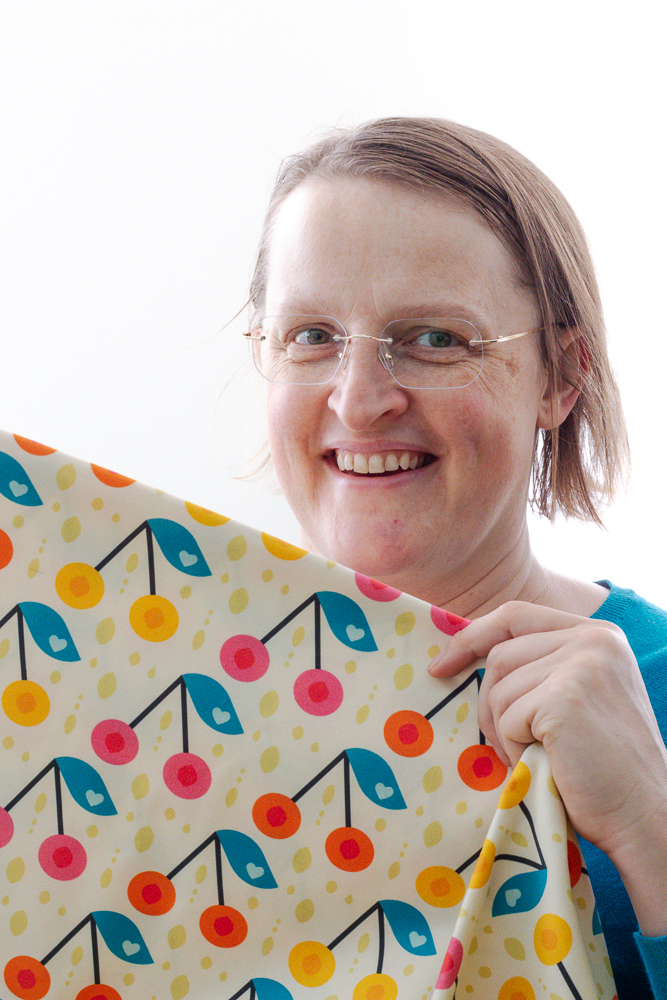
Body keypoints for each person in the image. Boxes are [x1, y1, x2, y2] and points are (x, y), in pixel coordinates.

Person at [241, 118, 667, 998]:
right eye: (311, 335)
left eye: (434, 339)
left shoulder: (653, 690)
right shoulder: (163, 700)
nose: (359, 402)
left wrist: (648, 826)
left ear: (561, 377)